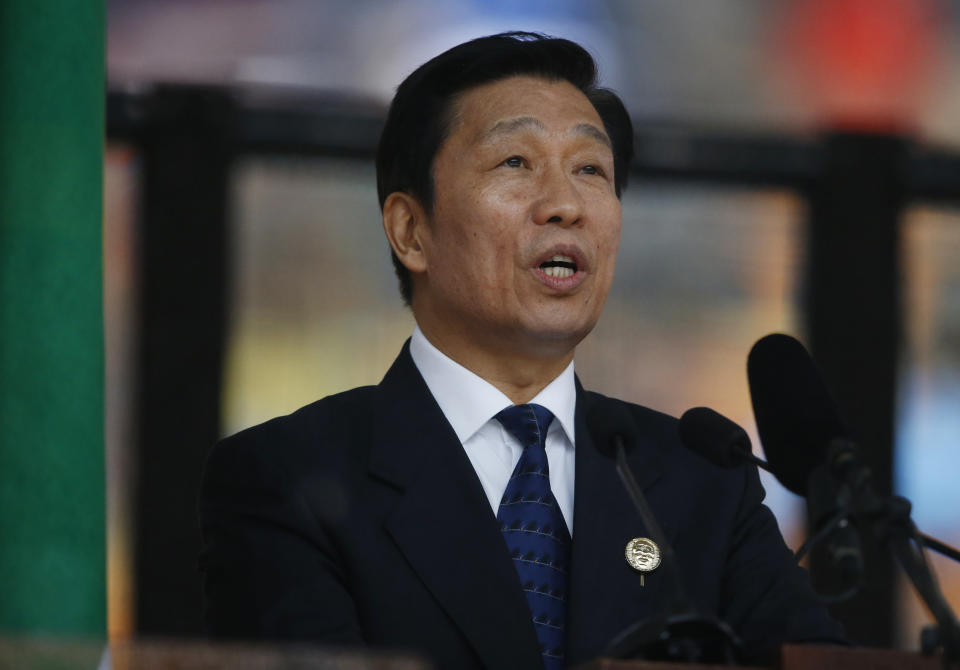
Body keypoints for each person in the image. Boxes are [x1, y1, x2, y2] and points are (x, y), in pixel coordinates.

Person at [199, 31, 843, 670]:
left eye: (591, 170)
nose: (566, 205)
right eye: (515, 163)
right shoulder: (290, 478)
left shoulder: (702, 479)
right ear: (410, 230)